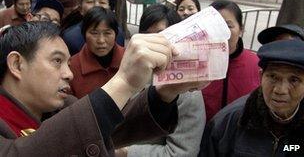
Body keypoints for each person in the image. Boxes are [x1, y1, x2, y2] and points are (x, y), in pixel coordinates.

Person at [0, 21, 209, 156]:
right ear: (17, 64)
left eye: (68, 64)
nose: (69, 74)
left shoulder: (62, 107)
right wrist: (124, 82)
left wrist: (164, 93)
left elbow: (111, 128)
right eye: (56, 61)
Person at [121, 4, 206, 157]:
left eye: (162, 36)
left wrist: (125, 152)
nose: (152, 43)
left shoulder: (186, 90)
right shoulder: (129, 72)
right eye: (146, 35)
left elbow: (182, 153)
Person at [199, 39, 304, 156]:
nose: (280, 90)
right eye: (273, 77)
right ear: (260, 77)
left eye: (294, 80)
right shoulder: (229, 121)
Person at [201, 0, 260, 121]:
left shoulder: (257, 64)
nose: (221, 31)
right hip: (202, 134)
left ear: (241, 30)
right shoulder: (196, 62)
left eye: (228, 26)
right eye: (214, 26)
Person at [69, 6, 124, 98]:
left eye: (107, 33)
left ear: (116, 34)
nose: (101, 40)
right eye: (94, 33)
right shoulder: (72, 67)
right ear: (84, 34)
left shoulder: (130, 59)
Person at [61, 0, 125, 56]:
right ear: (80, 9)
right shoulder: (69, 38)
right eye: (90, 2)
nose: (97, 6)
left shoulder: (119, 34)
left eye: (102, 2)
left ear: (109, 8)